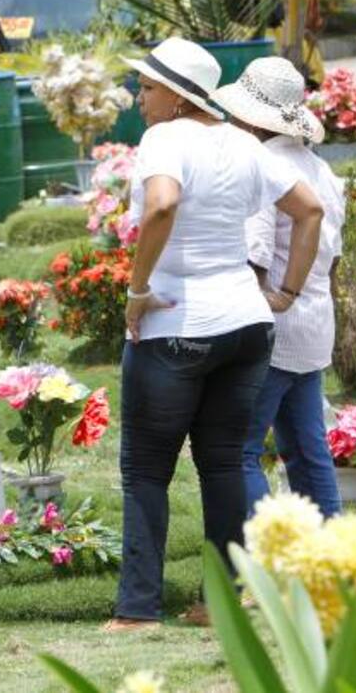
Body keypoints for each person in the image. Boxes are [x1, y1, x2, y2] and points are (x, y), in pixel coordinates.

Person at [107, 38, 324, 632]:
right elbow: (309, 211)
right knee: (225, 463)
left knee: (147, 471)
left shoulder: (165, 138)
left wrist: (137, 289)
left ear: (178, 96)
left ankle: (137, 609)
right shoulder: (241, 141)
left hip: (178, 322)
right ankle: (218, 604)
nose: (139, 97)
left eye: (148, 88)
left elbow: (161, 206)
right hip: (247, 324)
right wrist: (286, 293)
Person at [213, 57, 345, 519]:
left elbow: (255, 255)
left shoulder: (261, 165)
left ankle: (267, 555)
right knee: (308, 451)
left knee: (239, 451)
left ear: (251, 117)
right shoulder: (319, 169)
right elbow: (334, 260)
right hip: (313, 329)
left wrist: (277, 297)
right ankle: (333, 555)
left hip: (273, 328)